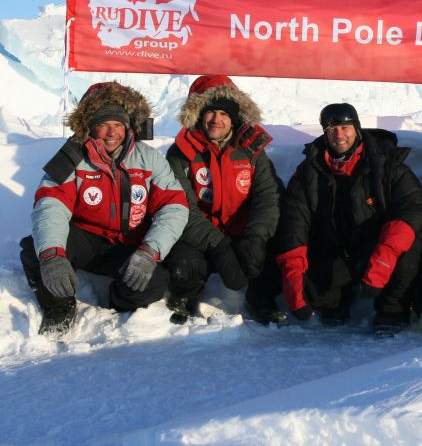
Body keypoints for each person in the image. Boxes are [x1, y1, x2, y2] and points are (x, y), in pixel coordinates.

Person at [20, 82, 189, 335]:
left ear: (128, 127)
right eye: (103, 124)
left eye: (118, 125)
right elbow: (50, 204)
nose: (112, 132)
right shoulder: (72, 155)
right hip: (85, 239)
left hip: (129, 244)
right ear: (89, 126)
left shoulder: (148, 157)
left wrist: (149, 251)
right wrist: (53, 254)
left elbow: (174, 206)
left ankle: (115, 303)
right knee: (37, 252)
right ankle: (60, 306)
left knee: (154, 283)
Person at [275, 103, 422, 335]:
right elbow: (293, 222)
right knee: (315, 292)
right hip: (336, 250)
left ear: (357, 129)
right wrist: (293, 276)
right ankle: (338, 302)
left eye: (345, 128)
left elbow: (415, 208)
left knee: (409, 247)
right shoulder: (309, 171)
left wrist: (384, 256)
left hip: (377, 249)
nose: (339, 135)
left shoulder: (384, 163)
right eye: (332, 130)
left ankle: (392, 310)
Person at [162, 75, 282, 324]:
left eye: (224, 114)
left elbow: (267, 197)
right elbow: (180, 206)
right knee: (184, 263)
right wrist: (219, 246)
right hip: (201, 236)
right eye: (210, 112)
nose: (217, 120)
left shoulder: (252, 148)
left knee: (270, 247)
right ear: (198, 115)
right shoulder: (181, 152)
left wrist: (255, 237)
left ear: (235, 117)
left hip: (241, 231)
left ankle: (262, 299)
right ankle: (184, 297)